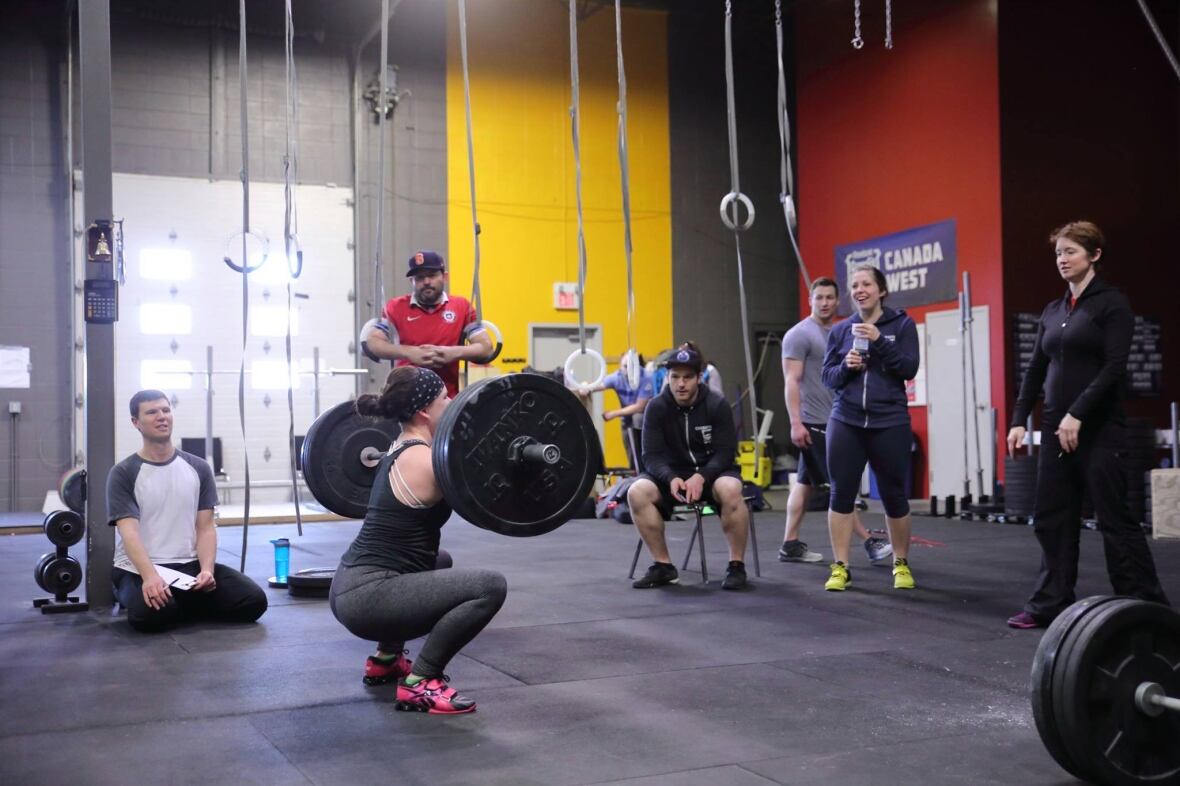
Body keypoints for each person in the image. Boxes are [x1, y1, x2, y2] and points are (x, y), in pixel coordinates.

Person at [1005, 221, 1170, 629]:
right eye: (1058, 253)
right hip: (1056, 429)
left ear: (1094, 255)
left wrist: (1077, 413)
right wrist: (1017, 420)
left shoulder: (1112, 304)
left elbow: (1114, 367)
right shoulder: (1054, 310)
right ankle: (1049, 603)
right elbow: (1034, 370)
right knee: (1052, 517)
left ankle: (1142, 605)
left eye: (1071, 252)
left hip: (1099, 430)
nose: (1062, 259)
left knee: (1116, 519)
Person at [329, 366, 507, 714]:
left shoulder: (399, 447)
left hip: (348, 586)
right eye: (445, 398)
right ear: (425, 410)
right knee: (490, 586)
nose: (452, 402)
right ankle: (422, 681)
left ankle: (386, 659)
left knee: (439, 560)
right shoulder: (425, 460)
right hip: (368, 598)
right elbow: (490, 498)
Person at [107, 390, 268, 632]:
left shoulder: (199, 468)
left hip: (188, 566)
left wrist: (206, 570)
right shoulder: (123, 473)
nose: (162, 417)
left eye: (166, 410)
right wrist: (150, 577)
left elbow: (205, 528)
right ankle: (154, 599)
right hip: (138, 568)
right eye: (152, 412)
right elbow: (129, 533)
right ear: (136, 423)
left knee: (254, 601)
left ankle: (179, 602)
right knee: (149, 616)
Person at [779, 277, 892, 565]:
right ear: (810, 300)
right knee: (839, 487)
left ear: (838, 300)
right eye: (819, 298)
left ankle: (790, 543)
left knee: (804, 484)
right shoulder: (799, 334)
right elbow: (791, 381)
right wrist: (795, 422)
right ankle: (869, 542)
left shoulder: (843, 331)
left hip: (837, 418)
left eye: (830, 297)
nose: (825, 303)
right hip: (814, 421)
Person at [821, 265, 920, 592]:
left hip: (889, 421)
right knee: (841, 494)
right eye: (855, 285)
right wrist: (846, 368)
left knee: (894, 494)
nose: (860, 289)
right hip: (846, 420)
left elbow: (908, 368)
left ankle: (901, 563)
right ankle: (840, 566)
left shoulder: (902, 325)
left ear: (881, 290)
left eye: (867, 284)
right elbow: (828, 379)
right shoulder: (840, 331)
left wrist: (879, 341)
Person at [627, 343, 752, 590]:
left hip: (711, 475)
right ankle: (663, 566)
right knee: (636, 491)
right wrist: (670, 477)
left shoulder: (717, 405)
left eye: (687, 377)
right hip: (671, 477)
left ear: (699, 378)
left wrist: (702, 477)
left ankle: (736, 566)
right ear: (668, 378)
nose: (680, 384)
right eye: (675, 377)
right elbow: (650, 456)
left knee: (730, 488)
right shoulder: (656, 407)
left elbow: (726, 453)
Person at [360, 250, 494, 398]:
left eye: (432, 275)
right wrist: (410, 352)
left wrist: (453, 353)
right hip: (405, 397)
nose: (426, 282)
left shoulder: (462, 307)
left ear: (445, 276)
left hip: (446, 399)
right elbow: (373, 342)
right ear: (412, 281)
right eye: (419, 277)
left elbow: (486, 347)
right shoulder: (395, 307)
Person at [575, 352, 654, 471]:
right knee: (631, 455)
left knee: (637, 420)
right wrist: (585, 387)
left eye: (631, 366)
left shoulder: (646, 378)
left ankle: (645, 472)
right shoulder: (618, 377)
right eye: (625, 366)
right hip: (627, 421)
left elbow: (640, 407)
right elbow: (599, 385)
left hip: (645, 421)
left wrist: (613, 413)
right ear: (620, 366)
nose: (628, 370)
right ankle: (635, 475)